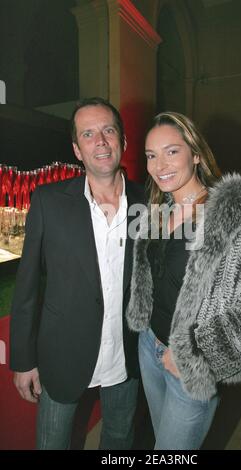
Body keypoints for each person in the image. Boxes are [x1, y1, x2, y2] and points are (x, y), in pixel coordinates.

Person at [126, 111, 241, 450]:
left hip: (191, 363)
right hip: (149, 346)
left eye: (172, 151)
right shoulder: (158, 210)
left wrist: (198, 351)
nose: (159, 165)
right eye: (151, 155)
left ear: (196, 154)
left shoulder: (238, 217)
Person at [10, 97, 145, 450]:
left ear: (123, 141)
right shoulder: (48, 201)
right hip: (62, 356)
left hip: (127, 357)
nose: (100, 141)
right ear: (77, 150)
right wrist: (23, 361)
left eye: (108, 130)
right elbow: (27, 287)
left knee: (119, 439)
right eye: (88, 134)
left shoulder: (150, 204)